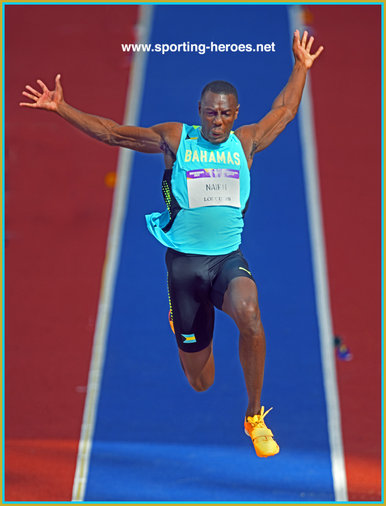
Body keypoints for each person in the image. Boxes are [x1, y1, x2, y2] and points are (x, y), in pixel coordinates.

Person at [20, 30, 323, 458]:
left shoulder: (246, 143)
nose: (217, 123)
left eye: (224, 115)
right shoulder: (177, 140)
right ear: (198, 111)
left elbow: (286, 109)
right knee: (202, 381)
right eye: (210, 114)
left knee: (251, 315)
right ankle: (180, 323)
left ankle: (254, 417)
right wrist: (61, 107)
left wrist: (300, 66)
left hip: (226, 262)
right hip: (184, 269)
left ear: (236, 114)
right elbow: (113, 134)